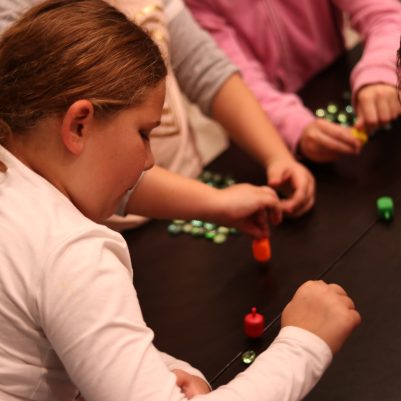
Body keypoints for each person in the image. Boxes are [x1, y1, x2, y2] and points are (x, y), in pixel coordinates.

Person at [0, 1, 362, 400]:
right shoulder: (72, 254)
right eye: (143, 133)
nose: (149, 160)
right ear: (78, 125)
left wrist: (160, 368)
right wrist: (305, 342)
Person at [0, 0, 316, 227]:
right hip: (102, 227)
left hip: (189, 199)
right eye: (142, 136)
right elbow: (85, 161)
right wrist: (213, 202)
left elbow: (207, 70)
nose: (148, 158)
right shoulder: (17, 17)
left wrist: (277, 156)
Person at [185, 0, 401, 163]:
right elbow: (230, 79)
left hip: (342, 90)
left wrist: (382, 67)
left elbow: (387, 13)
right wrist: (294, 126)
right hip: (260, 138)